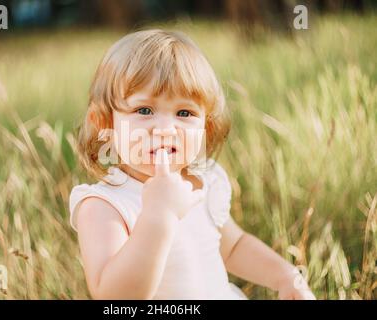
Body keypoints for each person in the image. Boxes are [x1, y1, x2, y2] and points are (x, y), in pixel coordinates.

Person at [69, 29, 315, 300]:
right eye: (144, 110)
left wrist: (285, 276)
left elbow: (233, 247)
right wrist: (158, 216)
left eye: (184, 113)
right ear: (104, 123)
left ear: (205, 126)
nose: (165, 129)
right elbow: (114, 298)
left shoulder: (202, 182)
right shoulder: (104, 206)